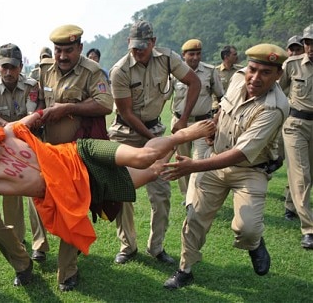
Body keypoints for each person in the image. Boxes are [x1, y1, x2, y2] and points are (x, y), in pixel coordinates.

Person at [0, 114, 216, 258]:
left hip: (80, 152)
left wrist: (53, 110)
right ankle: (172, 148)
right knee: (153, 171)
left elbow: (39, 115)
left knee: (142, 156)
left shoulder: (8, 132)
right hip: (85, 188)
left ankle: (182, 134)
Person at [162, 43, 289, 289]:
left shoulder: (274, 107)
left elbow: (240, 153)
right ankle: (184, 270)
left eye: (265, 72)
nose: (255, 77)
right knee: (194, 218)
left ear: (278, 76)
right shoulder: (238, 78)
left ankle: (254, 243)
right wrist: (216, 126)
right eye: (253, 69)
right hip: (216, 158)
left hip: (250, 170)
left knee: (248, 229)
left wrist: (195, 165)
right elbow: (223, 107)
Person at [107, 20, 201, 266]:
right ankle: (127, 245)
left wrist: (181, 119)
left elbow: (195, 82)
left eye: (143, 47)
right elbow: (127, 113)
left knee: (161, 193)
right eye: (134, 47)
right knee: (122, 190)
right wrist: (156, 142)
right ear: (129, 44)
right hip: (125, 133)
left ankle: (156, 246)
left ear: (153, 43)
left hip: (155, 128)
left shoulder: (168, 59)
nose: (138, 52)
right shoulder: (120, 70)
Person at [36, 24, 113, 291]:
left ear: (80, 48)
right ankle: (45, 245)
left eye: (69, 50)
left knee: (71, 208)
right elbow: (36, 101)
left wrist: (69, 107)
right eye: (58, 50)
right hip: (47, 152)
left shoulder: (92, 72)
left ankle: (67, 271)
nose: (62, 56)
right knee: (45, 204)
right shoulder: (44, 70)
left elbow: (105, 104)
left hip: (75, 155)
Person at [0, 43, 49, 265]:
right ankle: (17, 243)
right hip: (4, 153)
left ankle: (40, 245)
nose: (8, 72)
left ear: (21, 67)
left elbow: (32, 117)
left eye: (13, 67)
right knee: (10, 198)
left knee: (37, 195)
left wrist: (8, 130)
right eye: (4, 67)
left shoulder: (31, 86)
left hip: (30, 147)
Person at [171, 39, 224, 205]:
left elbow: (221, 97)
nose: (195, 57)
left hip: (203, 123)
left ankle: (196, 196)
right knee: (182, 159)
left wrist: (216, 119)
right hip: (180, 123)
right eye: (191, 54)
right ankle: (187, 196)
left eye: (198, 53)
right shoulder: (174, 73)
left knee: (199, 160)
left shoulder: (209, 71)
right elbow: (163, 95)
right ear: (183, 56)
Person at [279, 24, 313, 249]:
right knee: (302, 174)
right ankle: (309, 229)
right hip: (295, 125)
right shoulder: (292, 65)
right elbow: (276, 90)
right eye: (308, 43)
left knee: (308, 173)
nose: (310, 47)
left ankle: (291, 205)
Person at [280, 34, 305, 220]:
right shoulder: (287, 66)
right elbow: (276, 90)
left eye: (299, 48)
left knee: (302, 169)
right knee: (297, 170)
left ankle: (291, 204)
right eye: (292, 49)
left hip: (304, 124)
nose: (295, 52)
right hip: (288, 122)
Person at [213, 45, 242, 112]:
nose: (236, 57)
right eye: (234, 55)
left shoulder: (240, 70)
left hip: (236, 107)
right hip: (218, 108)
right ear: (226, 56)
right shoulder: (215, 72)